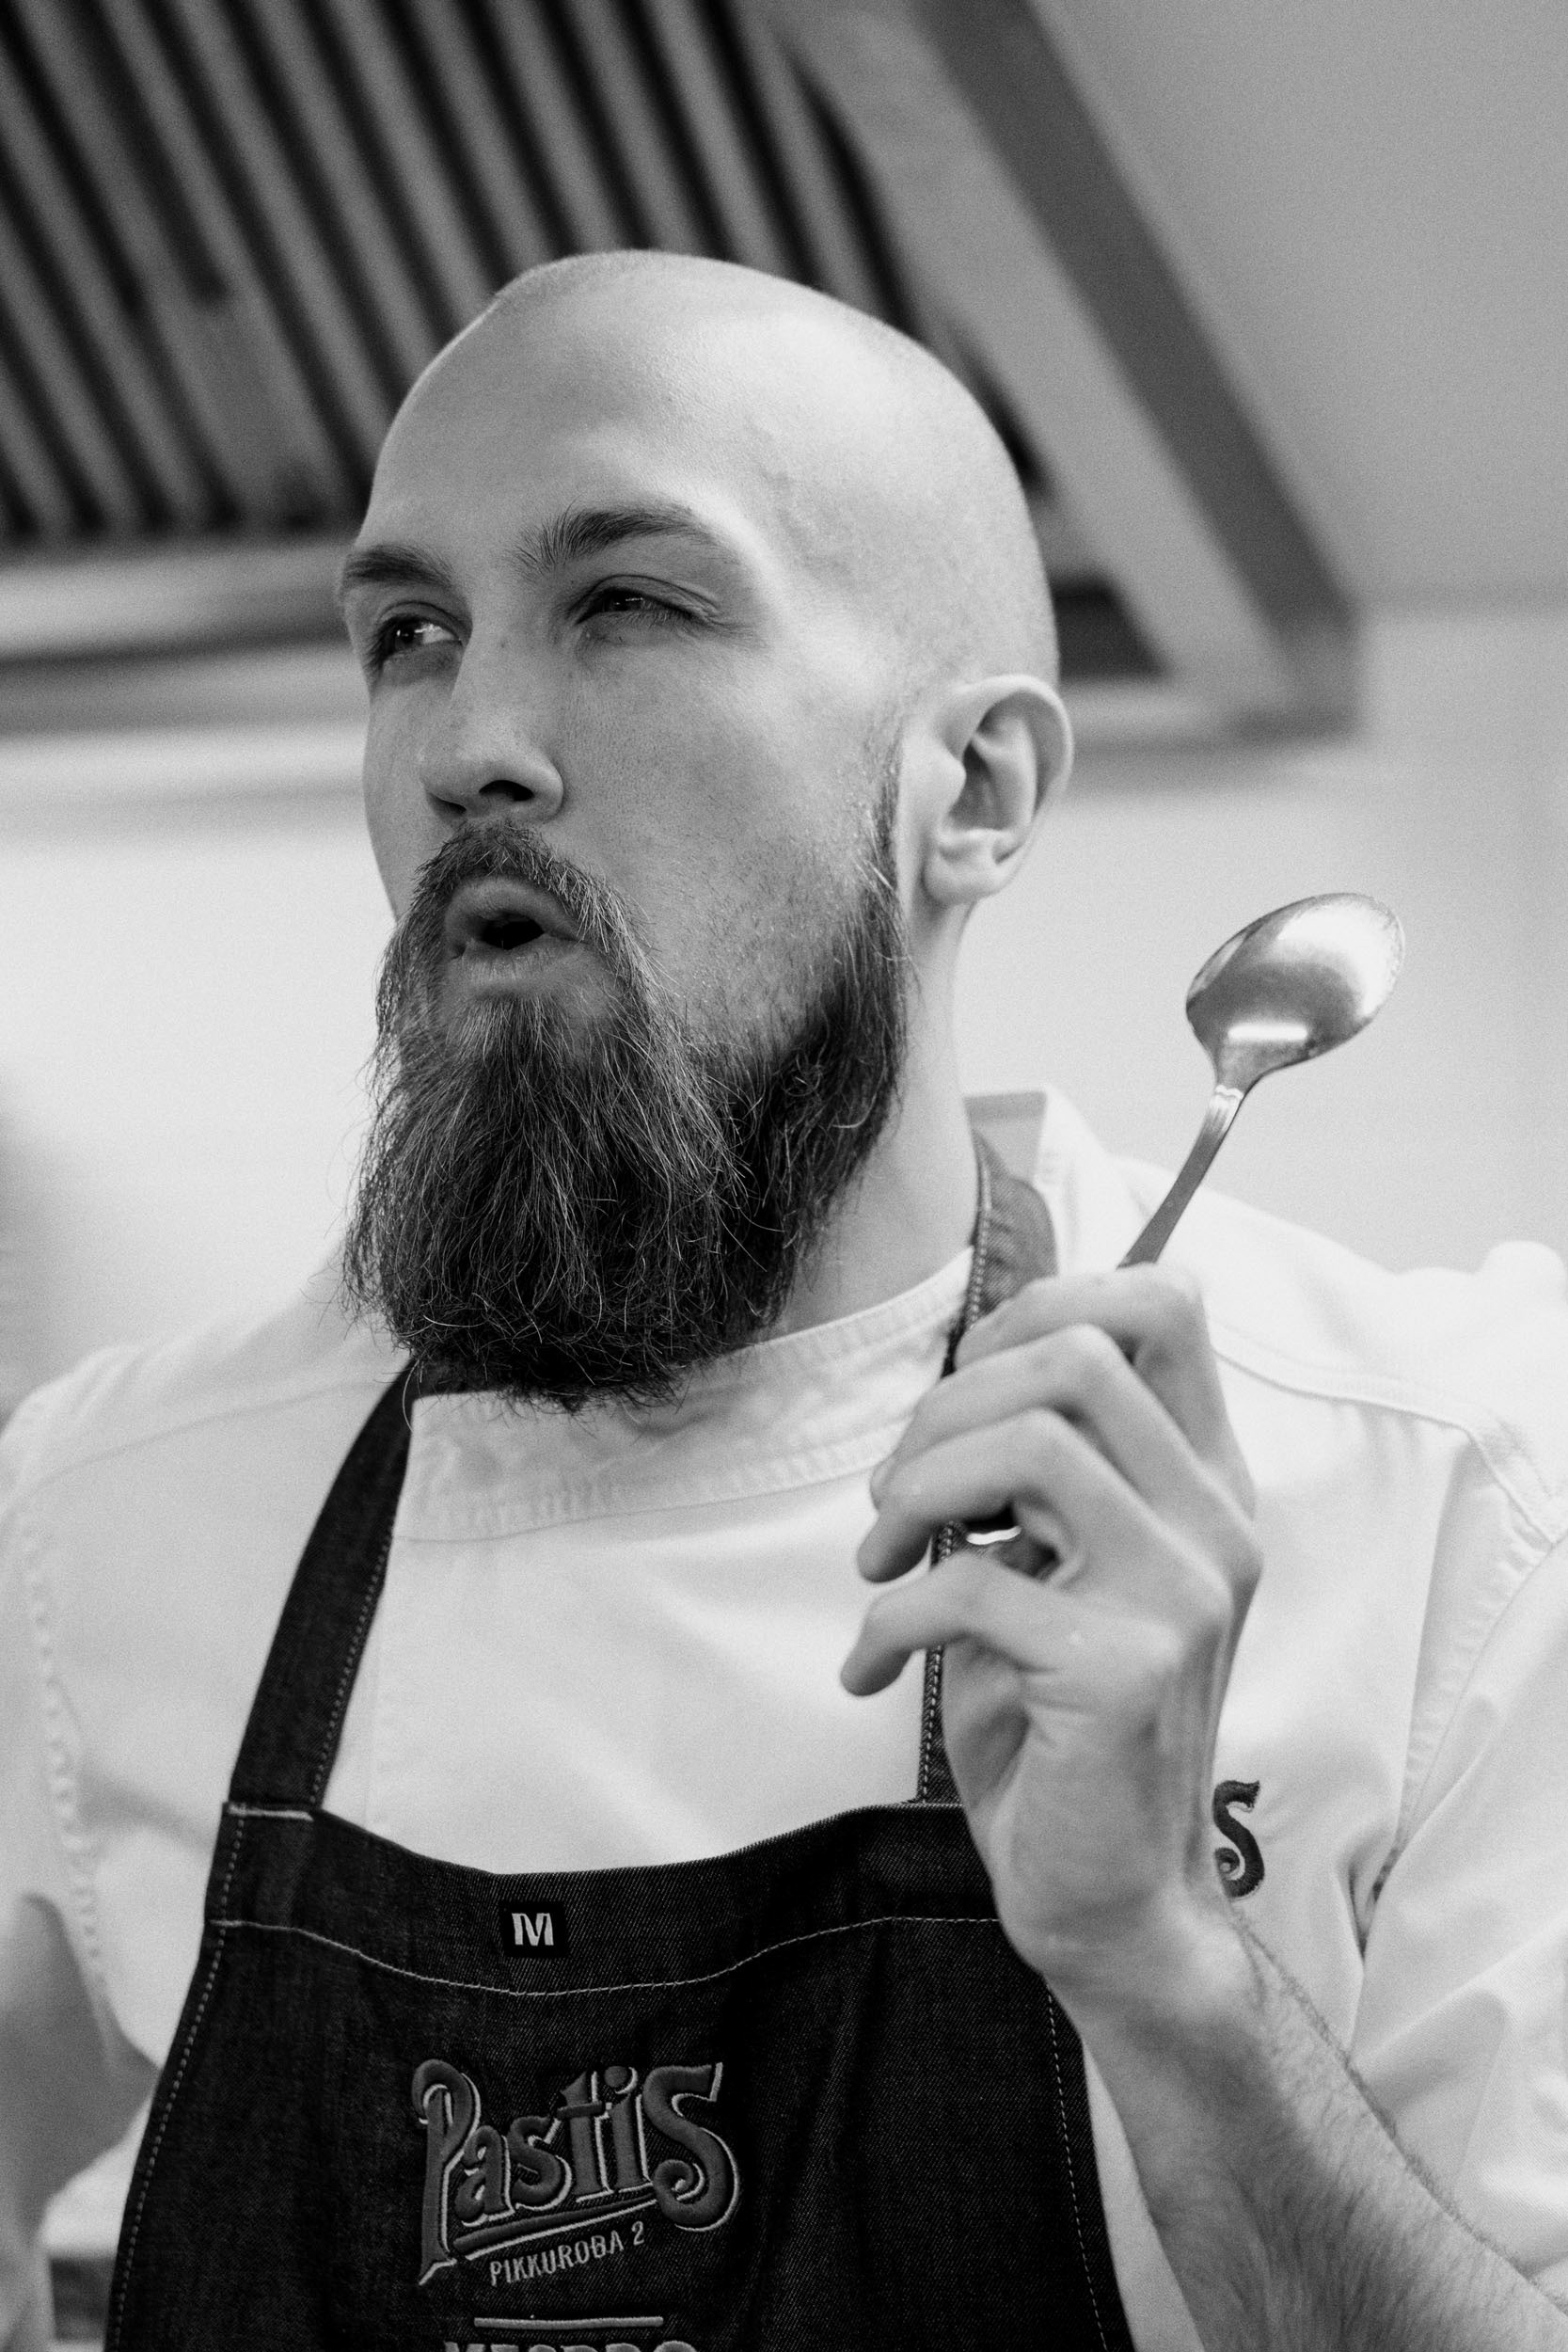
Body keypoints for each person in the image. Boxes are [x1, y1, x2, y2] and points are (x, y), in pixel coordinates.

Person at [2, 251, 1567, 2352]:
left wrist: (1168, 1969)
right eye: (409, 634)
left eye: (629, 603)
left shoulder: (1445, 1491)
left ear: (974, 793)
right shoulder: (108, 1516)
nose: (469, 742)